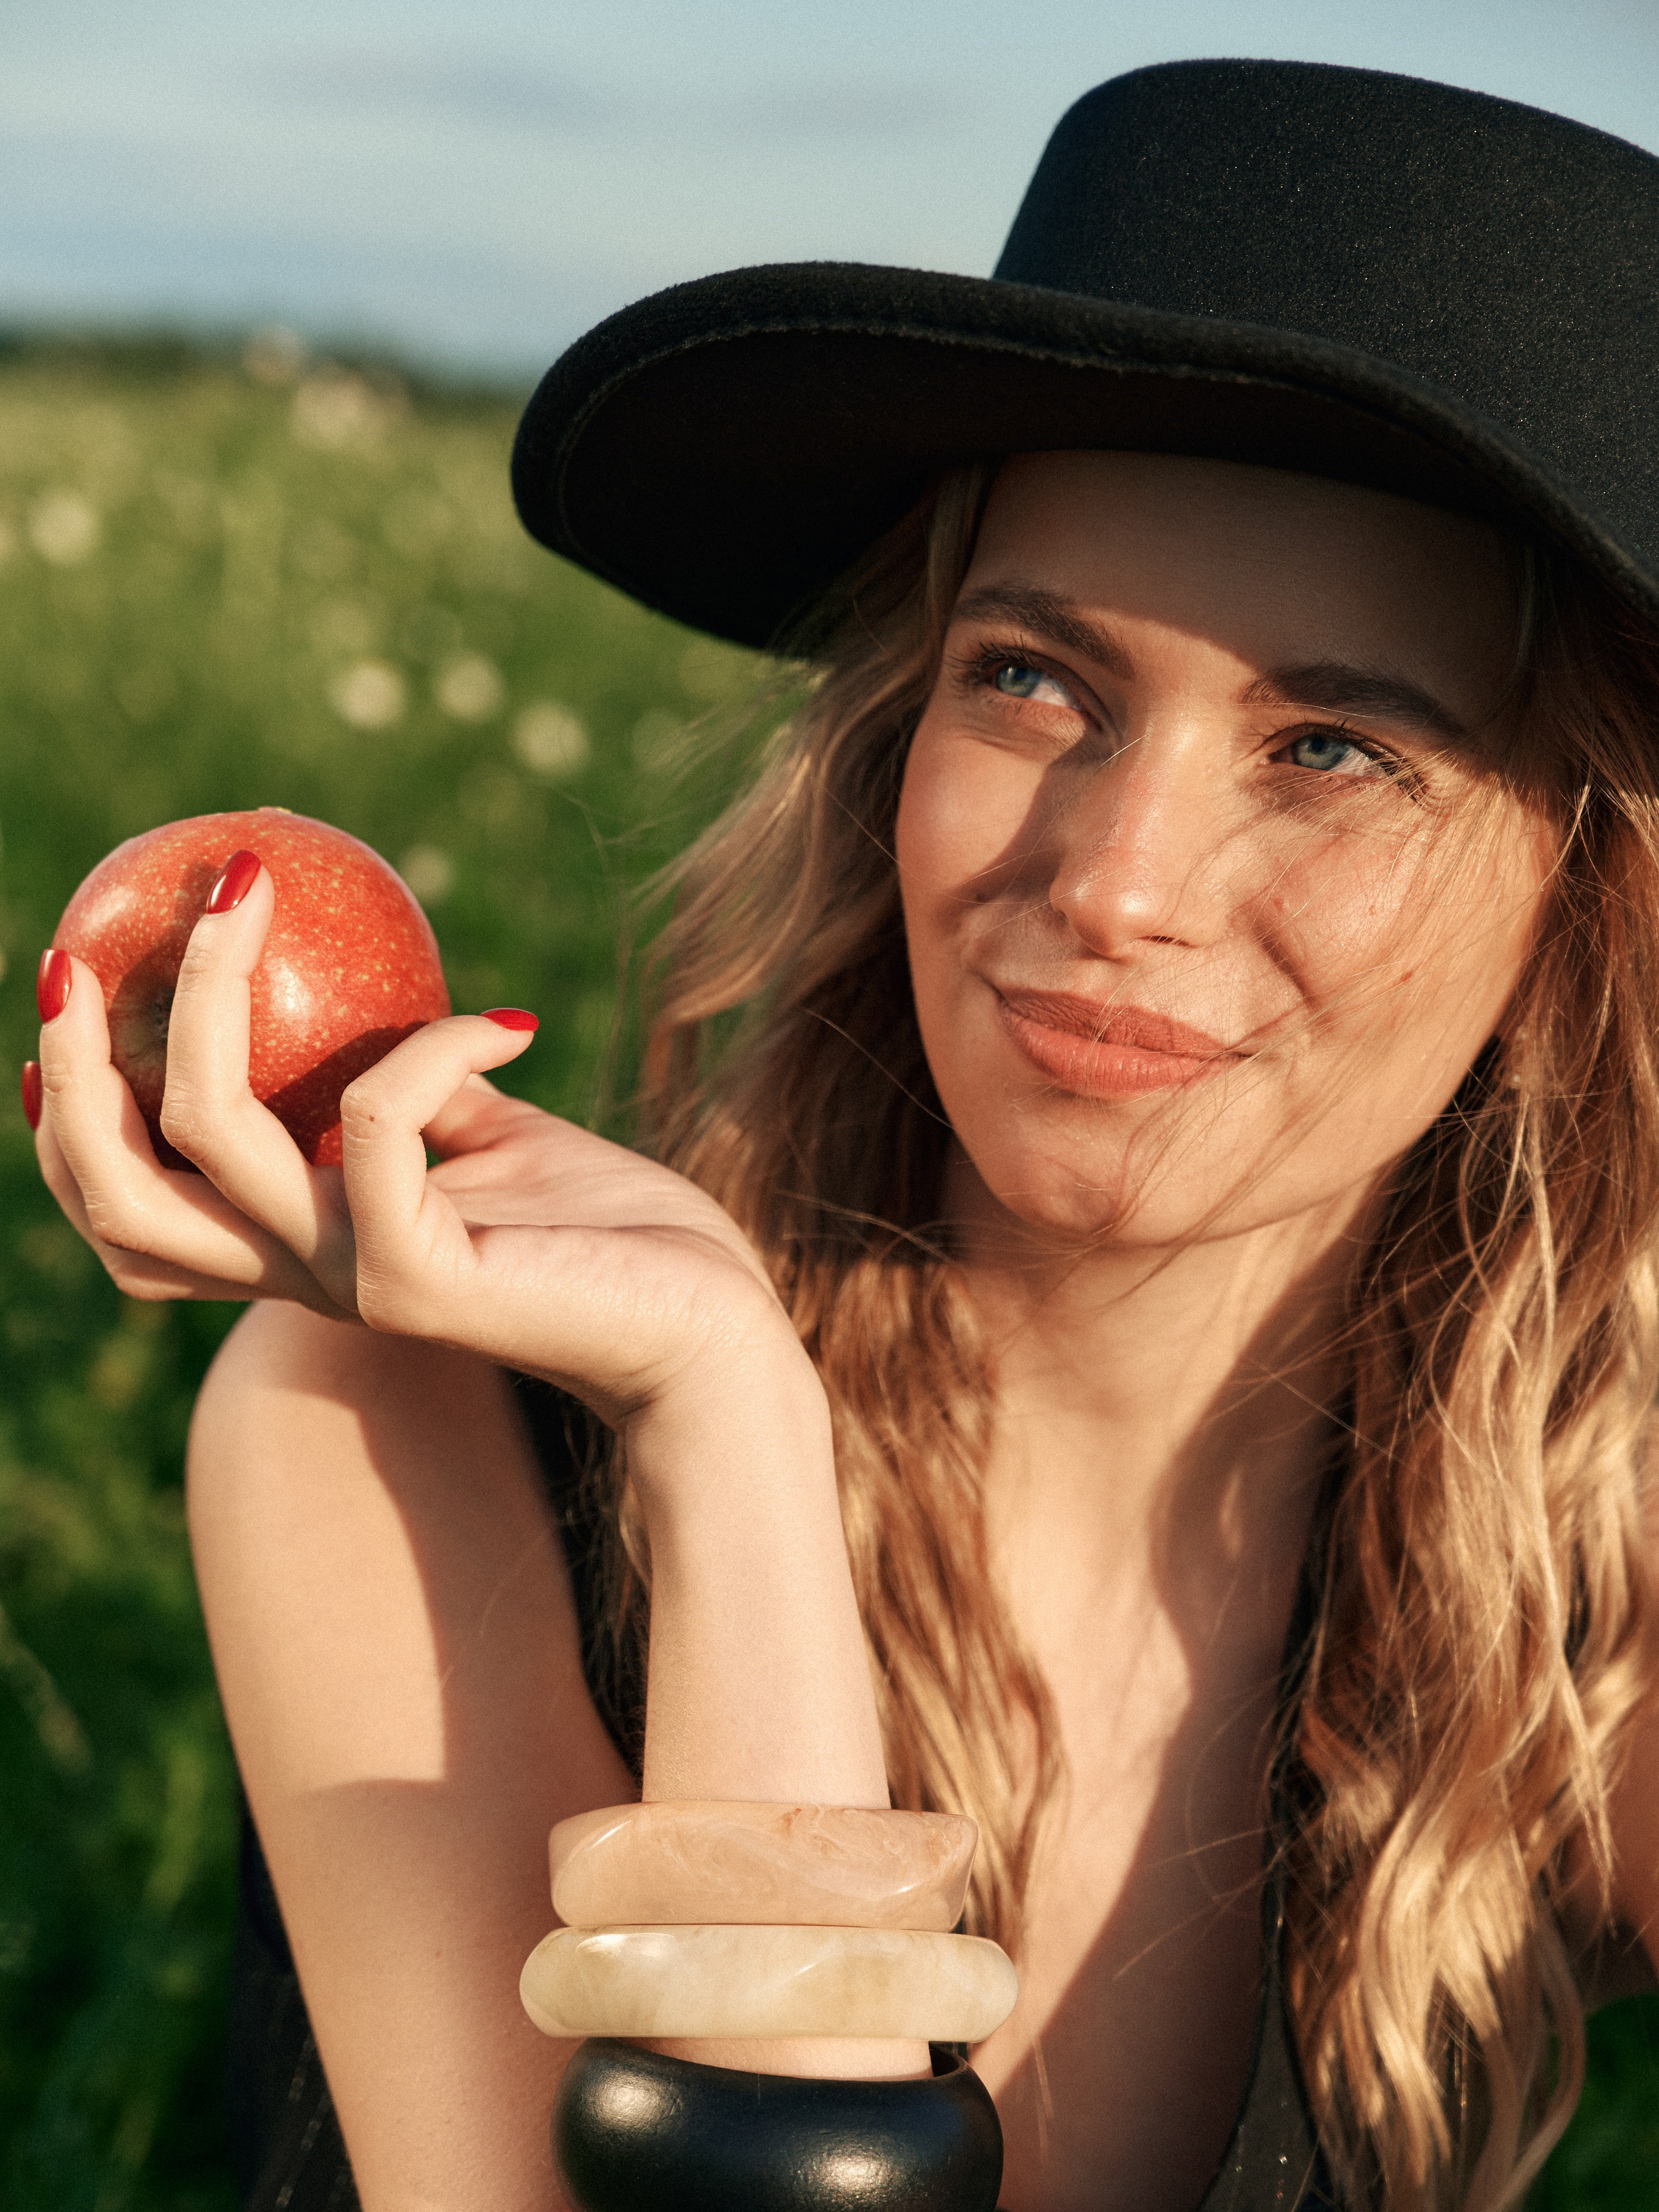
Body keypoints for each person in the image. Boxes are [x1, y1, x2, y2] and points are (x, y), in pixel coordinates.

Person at [25, 54, 1659, 2212]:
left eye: (1336, 748)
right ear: (898, 729)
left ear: (1586, 891)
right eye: (1035, 680)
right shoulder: (391, 1427)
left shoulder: (1577, 1542)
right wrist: (728, 1440)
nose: (1118, 883)